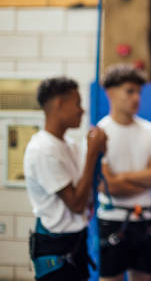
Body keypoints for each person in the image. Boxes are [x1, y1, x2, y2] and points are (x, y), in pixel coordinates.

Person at [96, 64, 151, 281]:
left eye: (139, 92)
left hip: (145, 219)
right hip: (112, 219)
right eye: (129, 91)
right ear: (110, 93)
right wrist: (147, 175)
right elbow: (107, 186)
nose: (136, 97)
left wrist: (122, 177)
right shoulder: (100, 134)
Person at [25, 77, 107, 280]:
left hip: (76, 243)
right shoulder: (42, 149)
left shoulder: (70, 145)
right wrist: (91, 156)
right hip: (56, 249)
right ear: (60, 104)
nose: (82, 110)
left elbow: (89, 188)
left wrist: (98, 153)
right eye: (77, 103)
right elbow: (76, 204)